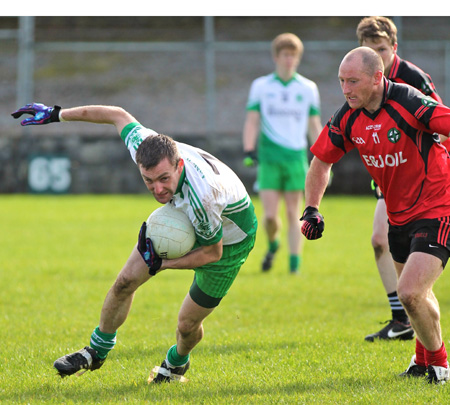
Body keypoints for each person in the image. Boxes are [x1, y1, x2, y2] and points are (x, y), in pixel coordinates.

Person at [11, 103, 258, 383]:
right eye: (148, 181)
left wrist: (162, 264)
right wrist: (57, 114)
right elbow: (117, 115)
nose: (158, 189)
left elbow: (213, 252)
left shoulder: (205, 196)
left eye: (164, 179)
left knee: (187, 325)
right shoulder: (145, 144)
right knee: (125, 281)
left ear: (179, 165)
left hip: (230, 240)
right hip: (183, 216)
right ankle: (96, 350)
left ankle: (176, 363)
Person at [300, 46, 450, 383]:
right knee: (415, 294)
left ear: (378, 78)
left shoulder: (408, 102)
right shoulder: (348, 117)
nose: (346, 89)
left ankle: (440, 366)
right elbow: (321, 161)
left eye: (353, 81)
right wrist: (312, 209)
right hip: (398, 215)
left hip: (438, 207)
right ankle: (421, 360)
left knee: (410, 291)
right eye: (341, 81)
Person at [355, 16, 445, 342]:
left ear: (394, 47)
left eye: (381, 49)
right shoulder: (362, 81)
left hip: (423, 183)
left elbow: (439, 123)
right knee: (381, 241)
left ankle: (412, 317)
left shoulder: (412, 79)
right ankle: (402, 317)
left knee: (394, 246)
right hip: (391, 182)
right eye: (369, 50)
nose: (376, 55)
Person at [242, 32, 322, 274]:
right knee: (268, 217)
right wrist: (248, 148)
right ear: (276, 57)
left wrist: (323, 160)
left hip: (296, 158)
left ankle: (294, 266)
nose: (289, 60)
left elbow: (313, 125)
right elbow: (252, 120)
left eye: (293, 55)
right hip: (269, 159)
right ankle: (274, 244)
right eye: (285, 55)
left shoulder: (308, 88)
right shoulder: (261, 86)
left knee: (293, 212)